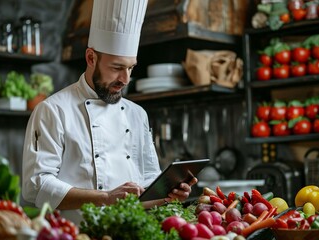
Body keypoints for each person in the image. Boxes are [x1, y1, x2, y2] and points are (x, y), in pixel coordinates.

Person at [22, 0, 198, 224]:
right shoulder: (53, 110)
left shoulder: (137, 114)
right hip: (78, 235)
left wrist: (167, 194)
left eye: (130, 68)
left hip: (131, 231)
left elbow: (147, 185)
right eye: (116, 68)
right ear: (91, 58)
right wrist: (105, 197)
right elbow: (36, 186)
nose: (125, 79)